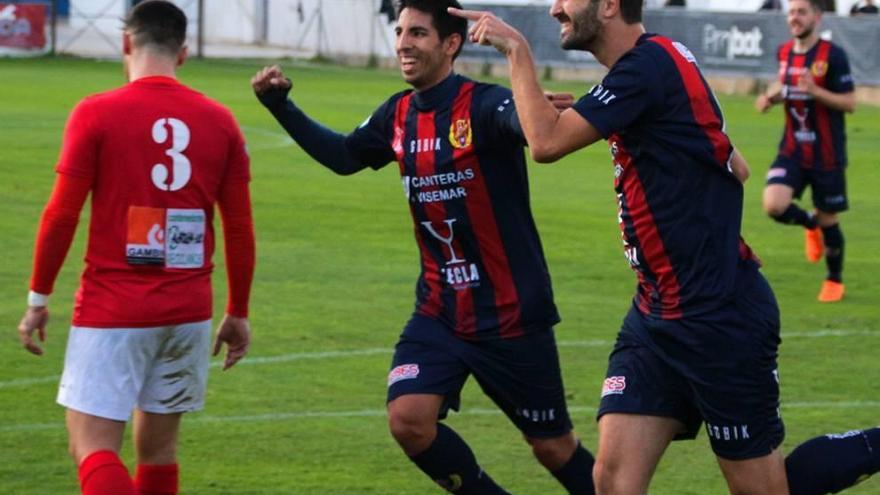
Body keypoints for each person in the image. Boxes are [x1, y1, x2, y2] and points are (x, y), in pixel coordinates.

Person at [449, 2, 879, 494]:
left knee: (765, 489)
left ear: (608, 6)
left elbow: (544, 143)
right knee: (612, 483)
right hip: (656, 317)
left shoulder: (646, 67)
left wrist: (517, 50)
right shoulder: (663, 59)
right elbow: (734, 163)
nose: (554, 8)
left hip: (719, 318)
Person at [252, 1, 595, 493]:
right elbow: (345, 157)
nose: (403, 43)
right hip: (440, 309)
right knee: (408, 419)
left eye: (418, 33)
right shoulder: (398, 113)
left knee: (551, 446)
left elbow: (526, 128)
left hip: (511, 313)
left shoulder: (484, 104)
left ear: (450, 44)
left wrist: (532, 106)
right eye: (399, 32)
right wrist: (281, 107)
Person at [15, 2, 255, 494]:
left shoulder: (96, 112)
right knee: (159, 452)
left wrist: (38, 299)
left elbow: (61, 214)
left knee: (92, 445)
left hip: (114, 309)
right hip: (189, 312)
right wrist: (238, 310)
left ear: (126, 44)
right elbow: (238, 224)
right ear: (183, 54)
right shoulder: (221, 120)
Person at [756, 0, 856, 303]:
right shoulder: (784, 53)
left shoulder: (832, 56)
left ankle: (834, 280)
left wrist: (817, 92)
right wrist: (770, 97)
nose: (794, 18)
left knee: (831, 220)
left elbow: (849, 103)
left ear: (817, 16)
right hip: (792, 149)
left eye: (801, 12)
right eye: (791, 12)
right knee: (773, 204)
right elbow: (784, 85)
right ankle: (809, 224)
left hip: (826, 153)